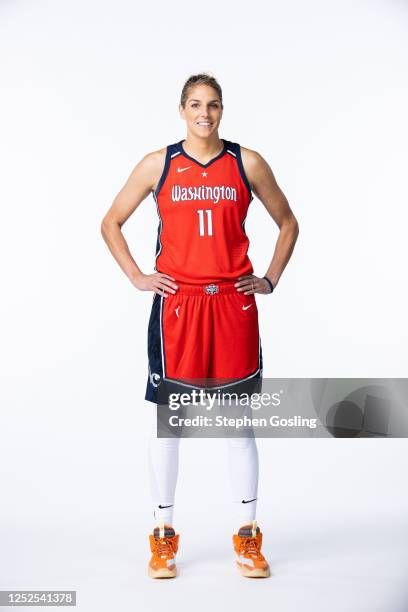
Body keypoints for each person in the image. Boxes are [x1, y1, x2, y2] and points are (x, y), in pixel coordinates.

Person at [101, 73, 299, 579]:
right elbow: (110, 222)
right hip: (179, 307)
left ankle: (248, 538)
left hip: (231, 304)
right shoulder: (158, 164)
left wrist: (270, 279)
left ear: (222, 110)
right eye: (195, 104)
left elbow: (289, 222)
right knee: (172, 424)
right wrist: (138, 276)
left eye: (212, 105)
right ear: (182, 110)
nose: (204, 114)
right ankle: (163, 538)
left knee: (237, 424)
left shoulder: (245, 162)